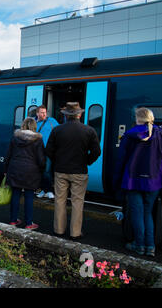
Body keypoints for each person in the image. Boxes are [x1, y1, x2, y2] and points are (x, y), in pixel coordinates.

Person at [46, 102, 101, 241]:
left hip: (61, 170)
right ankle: (75, 233)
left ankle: (59, 230)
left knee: (59, 200)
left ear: (65, 115)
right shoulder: (89, 130)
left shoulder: (57, 130)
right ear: (80, 114)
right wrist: (87, 161)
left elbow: (49, 150)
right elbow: (96, 151)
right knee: (77, 202)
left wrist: (58, 160)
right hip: (79, 171)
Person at [114, 108, 162, 257]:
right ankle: (150, 246)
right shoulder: (160, 134)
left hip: (133, 180)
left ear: (137, 118)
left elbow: (121, 160)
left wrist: (117, 181)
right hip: (154, 181)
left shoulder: (129, 135)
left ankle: (139, 244)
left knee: (137, 213)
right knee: (148, 212)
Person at [4, 117, 46, 230]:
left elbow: (8, 154)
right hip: (31, 171)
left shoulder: (15, 137)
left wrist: (6, 169)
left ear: (23, 125)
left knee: (15, 194)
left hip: (15, 169)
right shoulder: (37, 140)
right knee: (29, 196)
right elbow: (41, 159)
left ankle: (13, 220)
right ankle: (28, 223)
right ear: (34, 126)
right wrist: (42, 169)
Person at [35, 105, 59, 199]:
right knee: (39, 171)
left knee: (47, 171)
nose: (44, 114)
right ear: (37, 113)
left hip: (48, 150)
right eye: (42, 112)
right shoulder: (33, 122)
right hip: (36, 150)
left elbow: (59, 131)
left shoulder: (52, 121)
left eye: (45, 112)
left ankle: (49, 190)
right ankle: (43, 190)